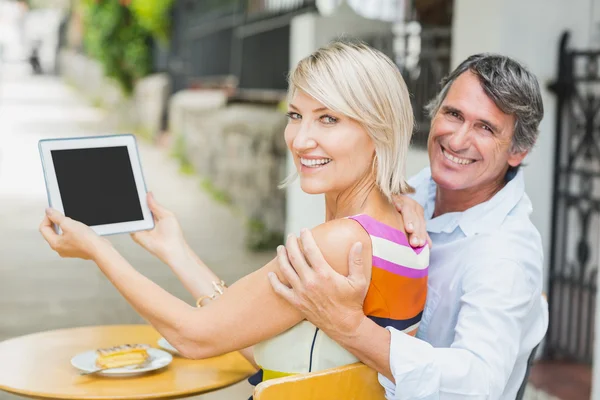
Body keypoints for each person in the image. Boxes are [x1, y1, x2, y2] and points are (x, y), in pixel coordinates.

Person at [39, 41, 429, 387]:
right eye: (295, 115)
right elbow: (256, 343)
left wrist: (98, 250)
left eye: (329, 118)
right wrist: (176, 251)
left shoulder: (339, 242)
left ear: (380, 131)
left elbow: (195, 337)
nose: (300, 139)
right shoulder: (399, 228)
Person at [268, 53, 549, 400]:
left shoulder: (507, 254)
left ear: (518, 151)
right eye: (454, 114)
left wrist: (350, 328)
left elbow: (478, 384)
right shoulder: (418, 190)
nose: (458, 140)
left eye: (485, 128)